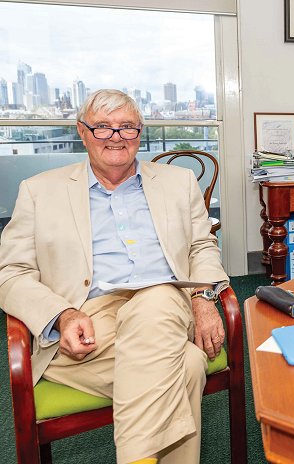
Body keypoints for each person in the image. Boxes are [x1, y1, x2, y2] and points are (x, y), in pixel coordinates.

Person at [0, 89, 228, 463]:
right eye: (103, 127)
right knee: (186, 366)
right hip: (88, 324)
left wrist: (203, 300)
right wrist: (62, 315)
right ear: (82, 131)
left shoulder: (177, 182)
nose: (116, 137)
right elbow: (11, 273)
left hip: (167, 310)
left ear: (140, 132)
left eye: (127, 127)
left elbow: (202, 247)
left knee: (157, 296)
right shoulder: (39, 191)